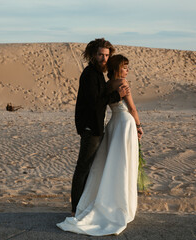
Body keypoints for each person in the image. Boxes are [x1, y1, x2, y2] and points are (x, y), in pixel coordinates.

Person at [57, 54, 143, 236]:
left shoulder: (107, 84)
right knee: (123, 164)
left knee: (111, 163)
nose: (128, 70)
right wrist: (138, 125)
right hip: (125, 124)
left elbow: (104, 102)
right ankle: (117, 204)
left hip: (113, 124)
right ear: (118, 68)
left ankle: (93, 203)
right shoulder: (122, 84)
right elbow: (133, 108)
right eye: (125, 67)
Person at [70, 38, 130, 217]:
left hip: (95, 127)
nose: (104, 59)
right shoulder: (90, 75)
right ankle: (75, 209)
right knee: (83, 168)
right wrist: (117, 96)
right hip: (90, 128)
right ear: (93, 55)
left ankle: (82, 205)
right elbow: (95, 103)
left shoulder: (98, 74)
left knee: (90, 167)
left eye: (106, 55)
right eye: (100, 55)